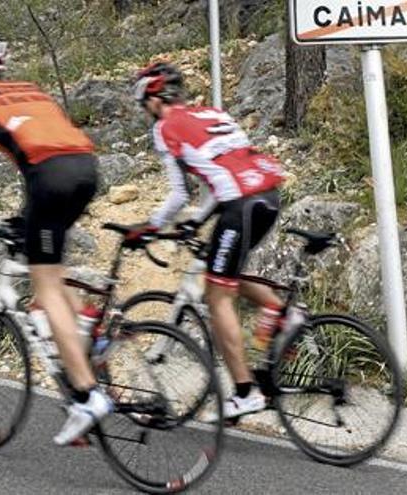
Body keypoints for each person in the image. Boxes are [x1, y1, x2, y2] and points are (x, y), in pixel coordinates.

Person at [0, 31, 111, 445]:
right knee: (50, 265)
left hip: (48, 179)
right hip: (85, 170)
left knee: (44, 287)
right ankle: (89, 329)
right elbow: (44, 143)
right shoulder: (31, 89)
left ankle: (87, 396)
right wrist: (23, 216)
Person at [129, 63, 286, 418]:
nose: (145, 111)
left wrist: (151, 225)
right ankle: (277, 309)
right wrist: (199, 221)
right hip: (268, 197)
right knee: (225, 272)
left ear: (154, 99)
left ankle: (245, 393)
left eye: (143, 104)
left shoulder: (164, 127)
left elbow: (179, 193)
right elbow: (226, 171)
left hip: (239, 205)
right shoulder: (212, 112)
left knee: (217, 297)